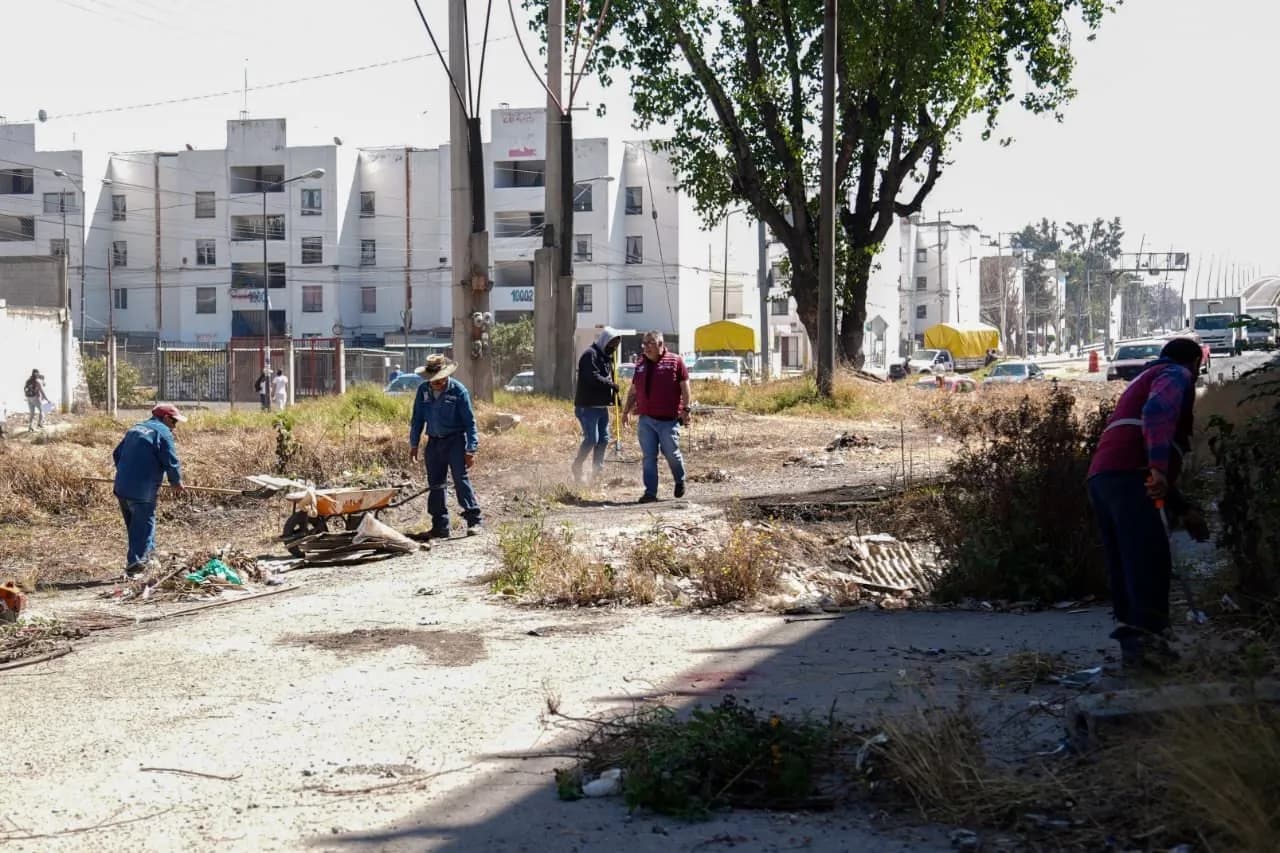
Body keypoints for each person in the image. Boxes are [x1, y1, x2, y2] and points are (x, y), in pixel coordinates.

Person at [1087, 337, 1209, 671]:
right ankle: (1148, 647)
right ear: (1196, 364)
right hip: (1132, 474)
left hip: (1104, 477)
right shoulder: (1176, 374)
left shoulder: (1144, 377)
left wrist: (1182, 508)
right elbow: (1156, 413)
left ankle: (1136, 648)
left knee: (1126, 563)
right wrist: (1157, 467)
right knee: (1148, 561)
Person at [409, 354, 482, 537]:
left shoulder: (459, 391)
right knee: (436, 484)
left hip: (455, 442)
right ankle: (440, 527)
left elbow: (470, 423)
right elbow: (417, 419)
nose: (437, 384)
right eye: (433, 381)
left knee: (460, 479)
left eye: (440, 380)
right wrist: (414, 444)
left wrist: (470, 449)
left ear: (446, 375)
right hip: (434, 443)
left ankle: (474, 521)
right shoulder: (423, 391)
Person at [112, 403, 186, 576]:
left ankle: (149, 559)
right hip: (142, 489)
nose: (175, 426)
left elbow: (117, 454)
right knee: (144, 525)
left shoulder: (135, 429)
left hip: (122, 486)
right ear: (166, 418)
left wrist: (127, 472)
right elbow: (171, 461)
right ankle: (136, 565)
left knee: (136, 526)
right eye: (174, 422)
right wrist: (176, 482)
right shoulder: (163, 432)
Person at [622, 330, 691, 503]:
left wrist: (686, 409)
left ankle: (679, 480)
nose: (646, 347)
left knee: (671, 453)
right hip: (646, 419)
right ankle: (650, 492)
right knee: (648, 457)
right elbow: (634, 389)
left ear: (660, 344)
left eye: (650, 343)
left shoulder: (675, 361)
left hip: (668, 420)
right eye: (644, 344)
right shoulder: (640, 363)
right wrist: (626, 411)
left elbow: (685, 386)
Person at [572, 326, 622, 483]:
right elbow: (592, 377)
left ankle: (596, 472)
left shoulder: (607, 358)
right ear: (604, 341)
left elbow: (610, 379)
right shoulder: (590, 355)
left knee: (604, 439)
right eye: (611, 345)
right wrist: (610, 385)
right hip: (587, 407)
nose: (613, 349)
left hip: (601, 407)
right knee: (592, 439)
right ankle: (577, 466)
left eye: (615, 346)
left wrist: (615, 396)